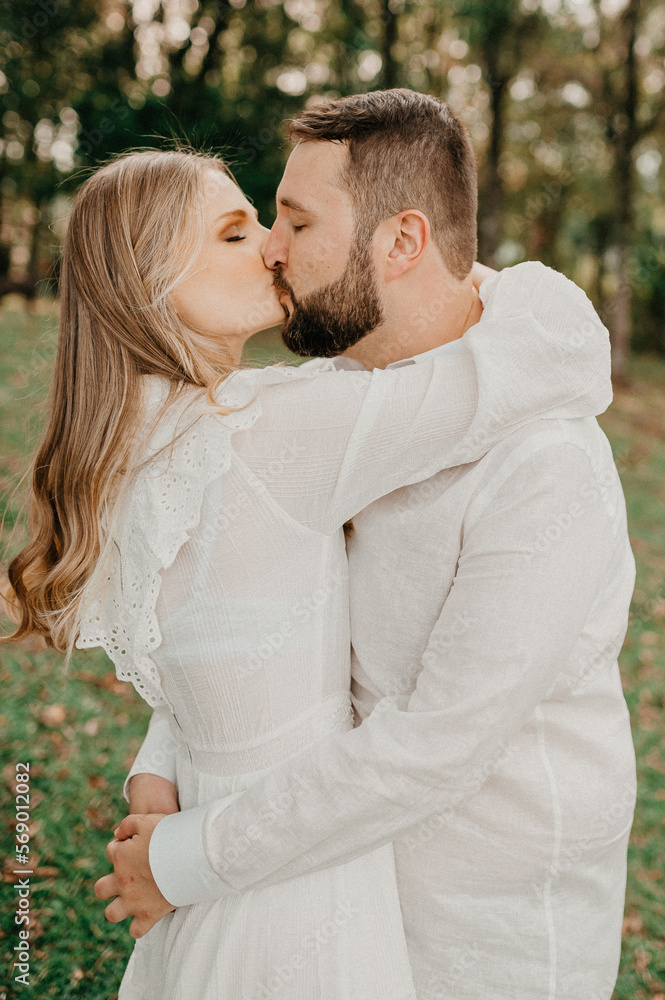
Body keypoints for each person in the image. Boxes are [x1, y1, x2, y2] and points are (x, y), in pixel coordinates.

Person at [119, 92, 636, 1000]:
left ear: (401, 242)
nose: (273, 247)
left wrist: (188, 858)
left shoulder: (545, 467)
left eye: (296, 219)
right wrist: (162, 764)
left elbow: (435, 748)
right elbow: (246, 602)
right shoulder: (331, 400)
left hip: (483, 928)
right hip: (322, 894)